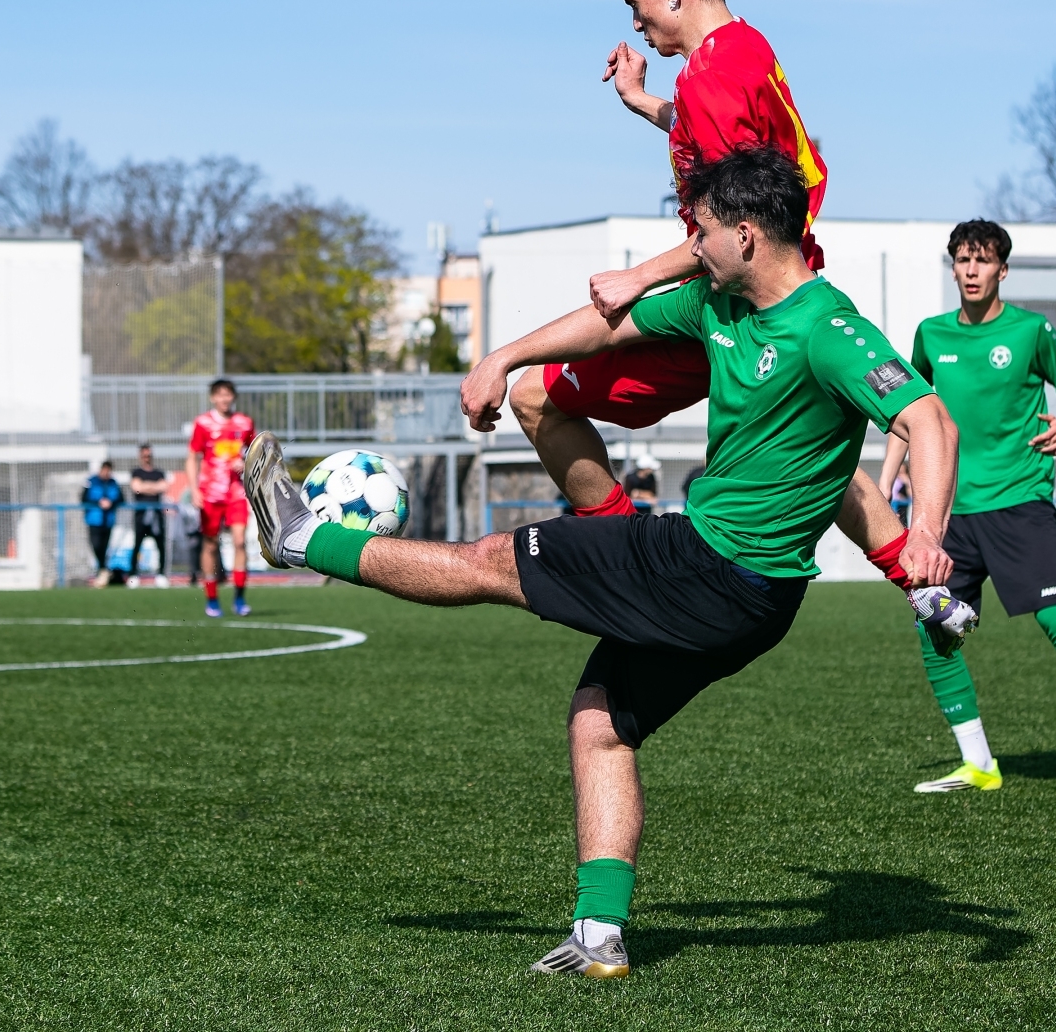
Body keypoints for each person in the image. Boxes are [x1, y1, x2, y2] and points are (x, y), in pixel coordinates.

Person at [245, 147, 962, 977]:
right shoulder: (718, 302)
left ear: (745, 235)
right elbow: (612, 325)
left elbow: (929, 418)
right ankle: (600, 935)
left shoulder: (830, 330)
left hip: (705, 567)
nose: (690, 248)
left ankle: (302, 540)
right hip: (751, 601)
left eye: (699, 235)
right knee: (601, 723)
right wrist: (503, 357)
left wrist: (927, 531)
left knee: (491, 561)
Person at [460, 0, 949, 612]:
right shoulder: (743, 51)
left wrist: (640, 276)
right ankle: (923, 583)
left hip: (733, 295)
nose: (635, 23)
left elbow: (731, 225)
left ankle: (624, 556)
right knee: (803, 440)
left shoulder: (713, 79)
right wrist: (643, 102)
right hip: (788, 289)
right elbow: (741, 152)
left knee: (537, 396)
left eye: (635, 3)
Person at [881, 220, 1056, 795]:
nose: (971, 271)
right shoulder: (931, 334)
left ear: (1002, 270)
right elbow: (908, 412)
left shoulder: (1032, 331)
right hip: (951, 515)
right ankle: (979, 765)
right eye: (962, 261)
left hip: (1020, 505)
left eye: (982, 261)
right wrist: (885, 477)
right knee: (935, 628)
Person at [184, 379, 255, 618]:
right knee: (210, 544)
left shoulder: (244, 423)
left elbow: (255, 454)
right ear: (213, 398)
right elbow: (192, 457)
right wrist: (194, 489)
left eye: (228, 395)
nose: (224, 399)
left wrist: (244, 463)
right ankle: (212, 598)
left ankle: (239, 598)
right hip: (211, 494)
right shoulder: (203, 423)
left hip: (236, 493)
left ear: (233, 397)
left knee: (239, 542)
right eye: (220, 395)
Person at [128, 443, 171, 587]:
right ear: (140, 456)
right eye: (144, 455)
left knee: (160, 545)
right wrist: (153, 487)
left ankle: (161, 575)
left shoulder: (159, 473)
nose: (147, 458)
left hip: (157, 516)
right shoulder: (136, 472)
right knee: (137, 544)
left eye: (149, 455)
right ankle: (133, 575)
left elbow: (164, 486)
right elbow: (137, 488)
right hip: (141, 515)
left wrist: (145, 486)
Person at [81, 461, 123, 587]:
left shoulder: (113, 483)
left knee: (104, 547)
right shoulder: (91, 481)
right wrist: (99, 502)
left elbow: (120, 498)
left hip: (108, 520)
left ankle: (102, 572)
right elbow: (83, 498)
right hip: (94, 519)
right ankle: (104, 569)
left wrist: (111, 502)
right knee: (96, 545)